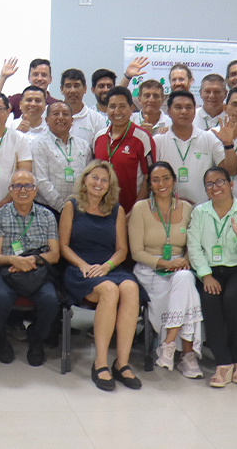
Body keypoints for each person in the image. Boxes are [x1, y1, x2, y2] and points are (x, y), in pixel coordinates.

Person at [59, 161, 141, 391]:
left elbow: (122, 249)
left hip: (109, 266)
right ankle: (100, 363)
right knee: (109, 290)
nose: (99, 183)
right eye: (94, 177)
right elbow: (63, 246)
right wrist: (83, 264)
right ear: (85, 180)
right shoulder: (71, 206)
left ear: (109, 185)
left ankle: (122, 363)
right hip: (80, 268)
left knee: (131, 288)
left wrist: (107, 266)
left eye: (104, 180)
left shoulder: (117, 210)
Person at [127, 162, 203, 379]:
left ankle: (168, 345)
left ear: (174, 181)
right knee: (188, 287)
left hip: (180, 266)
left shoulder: (187, 209)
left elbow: (193, 245)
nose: (161, 183)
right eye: (155, 180)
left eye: (166, 178)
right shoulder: (140, 208)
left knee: (185, 278)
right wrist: (164, 264)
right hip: (150, 268)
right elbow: (136, 252)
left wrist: (185, 260)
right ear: (150, 184)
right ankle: (188, 355)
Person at [186, 167, 237, 387]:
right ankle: (223, 362)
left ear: (231, 184)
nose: (215, 187)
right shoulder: (200, 213)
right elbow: (194, 248)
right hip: (210, 271)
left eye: (220, 182)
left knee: (232, 299)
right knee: (210, 300)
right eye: (209, 184)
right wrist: (206, 275)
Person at [0, 170, 61, 367]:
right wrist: (13, 260)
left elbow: (54, 254)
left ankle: (36, 338)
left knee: (51, 300)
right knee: (0, 298)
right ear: (10, 190)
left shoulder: (47, 216)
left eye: (28, 186)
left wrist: (30, 261)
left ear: (35, 190)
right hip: (6, 270)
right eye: (17, 186)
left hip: (37, 270)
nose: (23, 190)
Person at [153, 90, 237, 205]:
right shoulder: (158, 141)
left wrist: (228, 144)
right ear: (169, 112)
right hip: (168, 208)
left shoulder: (209, 138)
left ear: (195, 112)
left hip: (202, 209)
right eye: (178, 107)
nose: (184, 111)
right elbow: (151, 179)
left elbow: (231, 171)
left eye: (188, 107)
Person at [92, 86, 155, 212]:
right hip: (100, 210)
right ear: (107, 109)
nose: (117, 111)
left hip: (131, 211)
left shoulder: (142, 138)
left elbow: (148, 178)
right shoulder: (99, 137)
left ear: (131, 109)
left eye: (122, 106)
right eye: (112, 106)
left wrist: (134, 212)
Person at [30, 101, 91, 214]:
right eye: (55, 114)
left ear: (72, 121)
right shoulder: (38, 145)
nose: (61, 117)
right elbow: (41, 181)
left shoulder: (84, 145)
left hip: (80, 208)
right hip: (48, 209)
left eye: (65, 114)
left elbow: (88, 178)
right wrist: (63, 207)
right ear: (47, 120)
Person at [60, 68, 109, 146]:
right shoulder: (49, 113)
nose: (72, 91)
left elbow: (101, 147)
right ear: (61, 89)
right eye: (68, 86)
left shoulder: (97, 119)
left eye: (76, 86)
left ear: (85, 89)